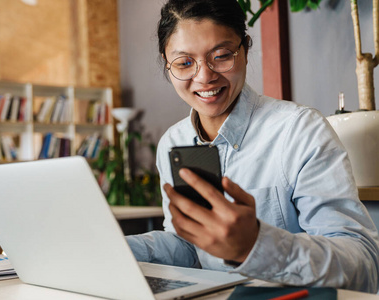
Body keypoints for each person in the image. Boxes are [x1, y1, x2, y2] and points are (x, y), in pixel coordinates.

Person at [126, 0, 379, 293]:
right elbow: (191, 247)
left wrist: (257, 245)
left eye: (221, 56)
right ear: (167, 64)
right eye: (184, 63)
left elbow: (365, 263)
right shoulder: (173, 142)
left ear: (245, 49)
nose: (205, 76)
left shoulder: (299, 130)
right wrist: (115, 247)